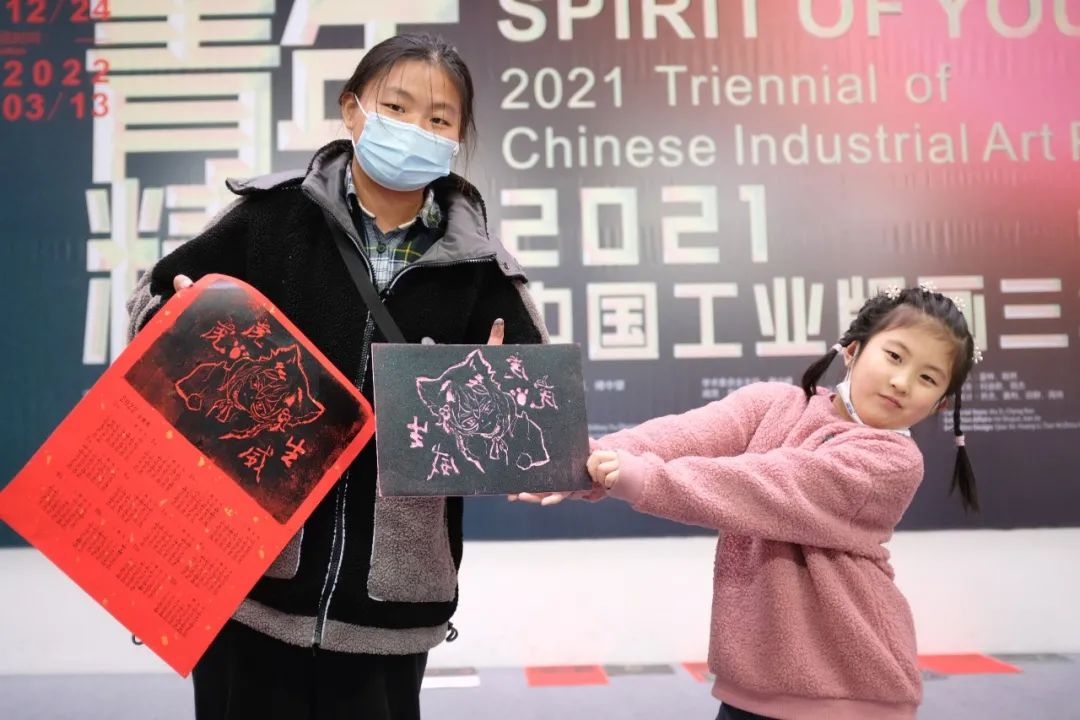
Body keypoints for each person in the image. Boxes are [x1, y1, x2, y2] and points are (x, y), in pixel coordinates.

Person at [126, 33, 547, 720]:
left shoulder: (484, 271)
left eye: (439, 119)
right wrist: (181, 325)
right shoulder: (269, 219)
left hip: (388, 608)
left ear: (458, 138)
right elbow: (151, 306)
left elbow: (534, 425)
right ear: (353, 110)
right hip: (249, 586)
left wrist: (497, 402)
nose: (416, 130)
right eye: (397, 107)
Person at [585, 286, 980, 720]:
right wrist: (580, 464)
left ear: (940, 404)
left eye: (927, 378)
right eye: (894, 356)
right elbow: (680, 435)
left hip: (849, 692)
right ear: (853, 351)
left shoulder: (893, 462)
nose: (901, 382)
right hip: (753, 685)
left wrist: (642, 478)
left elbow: (765, 488)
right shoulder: (774, 403)